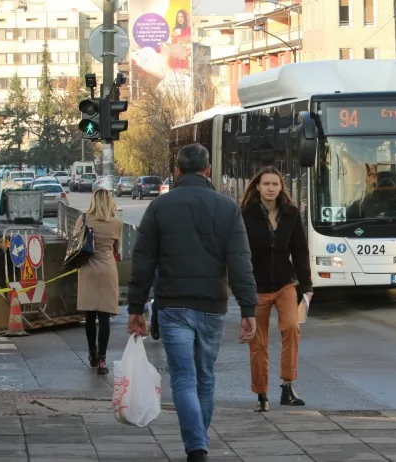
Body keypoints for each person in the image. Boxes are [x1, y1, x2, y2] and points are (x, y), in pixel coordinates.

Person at [127, 143, 258, 462]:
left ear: (176, 171)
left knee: (183, 378)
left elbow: (142, 260)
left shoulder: (159, 207)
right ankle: (198, 441)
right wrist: (248, 309)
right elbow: (240, 261)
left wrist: (136, 308)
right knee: (205, 376)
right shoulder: (227, 208)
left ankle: (196, 447)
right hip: (213, 305)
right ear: (208, 170)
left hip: (173, 307)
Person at [240, 166, 313, 413]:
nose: (271, 188)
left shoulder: (291, 214)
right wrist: (241, 286)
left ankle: (287, 386)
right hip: (256, 287)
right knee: (257, 341)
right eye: (266, 184)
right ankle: (261, 394)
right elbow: (239, 253)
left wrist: (307, 286)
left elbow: (301, 251)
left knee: (292, 328)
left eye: (275, 184)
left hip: (285, 284)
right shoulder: (246, 215)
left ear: (282, 187)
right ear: (257, 187)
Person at [75, 188, 123, 375]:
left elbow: (75, 241)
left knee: (89, 316)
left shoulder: (84, 219)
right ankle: (103, 359)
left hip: (88, 270)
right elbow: (117, 249)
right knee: (104, 318)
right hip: (107, 270)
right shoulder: (117, 223)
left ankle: (92, 354)